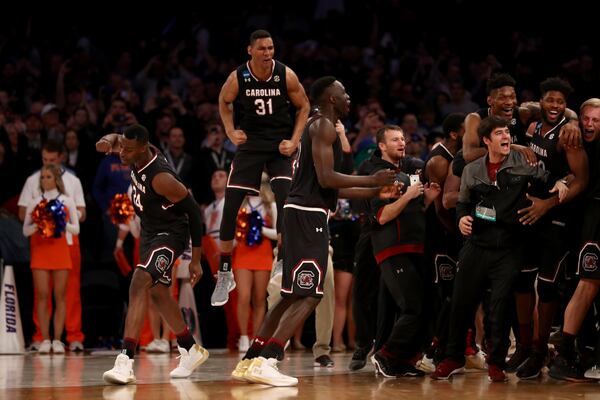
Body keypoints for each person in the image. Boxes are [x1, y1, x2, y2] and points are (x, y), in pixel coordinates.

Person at [231, 76, 397, 387]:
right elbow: (326, 179)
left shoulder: (316, 126)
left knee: (290, 294)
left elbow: (330, 190)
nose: (348, 96)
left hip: (300, 212)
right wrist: (371, 180)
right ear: (330, 98)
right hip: (308, 217)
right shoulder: (322, 126)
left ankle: (252, 357)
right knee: (309, 294)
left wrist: (374, 193)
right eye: (343, 91)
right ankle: (269, 359)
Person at [431, 116, 569, 382]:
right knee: (460, 303)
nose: (506, 137)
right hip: (476, 245)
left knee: (500, 306)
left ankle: (496, 362)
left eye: (507, 132)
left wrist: (561, 182)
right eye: (499, 133)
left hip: (509, 246)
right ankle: (453, 357)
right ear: (486, 140)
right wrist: (461, 218)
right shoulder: (472, 170)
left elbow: (551, 177)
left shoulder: (524, 163)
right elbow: (462, 203)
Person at [96, 124, 208, 384]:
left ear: (143, 149)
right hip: (149, 231)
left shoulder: (162, 177)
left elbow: (193, 213)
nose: (121, 153)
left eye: (128, 150)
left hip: (171, 235)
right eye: (121, 147)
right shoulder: (133, 149)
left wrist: (197, 260)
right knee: (157, 291)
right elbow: (116, 138)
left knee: (139, 282)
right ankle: (190, 349)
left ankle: (125, 361)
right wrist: (107, 140)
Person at [211, 29, 310, 306]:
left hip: (279, 144)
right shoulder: (238, 77)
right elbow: (224, 100)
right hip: (252, 143)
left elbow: (304, 106)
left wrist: (294, 140)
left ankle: (281, 259)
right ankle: (225, 272)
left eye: (271, 48)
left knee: (284, 198)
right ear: (250, 50)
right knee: (230, 205)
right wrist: (230, 131)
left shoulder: (285, 74)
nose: (268, 53)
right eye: (263, 49)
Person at [513, 78, 588, 380]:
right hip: (529, 212)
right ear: (541, 100)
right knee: (521, 282)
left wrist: (548, 204)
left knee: (546, 287)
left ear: (565, 104)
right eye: (550, 100)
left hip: (555, 217)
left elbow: (581, 178)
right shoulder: (532, 125)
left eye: (560, 102)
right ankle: (524, 346)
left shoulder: (568, 135)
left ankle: (540, 350)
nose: (555, 106)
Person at [368, 125, 441, 377]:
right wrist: (409, 195)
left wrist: (428, 200)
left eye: (402, 138)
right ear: (382, 146)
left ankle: (405, 360)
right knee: (412, 307)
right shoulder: (380, 174)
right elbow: (382, 215)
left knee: (423, 306)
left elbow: (413, 212)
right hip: (392, 248)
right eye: (394, 140)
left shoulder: (406, 171)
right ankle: (385, 355)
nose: (401, 143)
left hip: (415, 247)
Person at [18, 140, 86, 352]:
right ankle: (41, 337)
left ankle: (72, 336)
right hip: (41, 245)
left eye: (52, 161)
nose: (48, 164)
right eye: (45, 160)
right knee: (42, 294)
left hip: (66, 243)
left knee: (68, 292)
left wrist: (59, 220)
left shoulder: (73, 182)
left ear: (61, 158)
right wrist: (42, 221)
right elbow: (23, 214)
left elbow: (81, 214)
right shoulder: (31, 181)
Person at [549, 98, 600, 381]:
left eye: (596, 120)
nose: (590, 124)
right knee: (587, 284)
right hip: (590, 221)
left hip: (582, 220)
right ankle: (565, 353)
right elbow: (534, 109)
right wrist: (570, 119)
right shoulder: (574, 136)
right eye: (586, 119)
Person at [462, 73, 580, 164]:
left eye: (512, 97)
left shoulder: (524, 113)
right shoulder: (476, 119)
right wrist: (509, 147)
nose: (509, 102)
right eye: (502, 98)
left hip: (517, 171)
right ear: (490, 101)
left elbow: (559, 110)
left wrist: (573, 123)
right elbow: (468, 155)